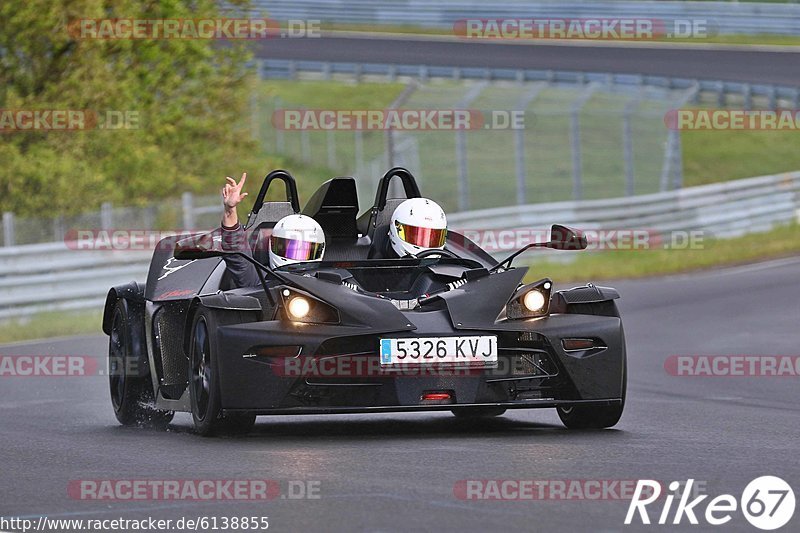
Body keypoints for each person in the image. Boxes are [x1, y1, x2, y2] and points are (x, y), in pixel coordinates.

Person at [219, 173, 325, 287]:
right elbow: (236, 252)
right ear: (272, 245)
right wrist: (230, 210)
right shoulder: (259, 281)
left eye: (305, 251)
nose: (296, 257)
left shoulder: (327, 283)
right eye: (290, 249)